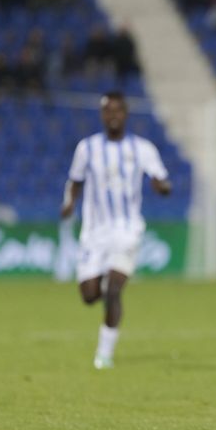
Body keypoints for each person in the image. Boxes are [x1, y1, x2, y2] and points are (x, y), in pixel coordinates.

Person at [60, 92, 172, 369]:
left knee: (113, 290)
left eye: (118, 111)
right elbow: (75, 180)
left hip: (127, 230)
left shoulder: (142, 149)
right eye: (108, 111)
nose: (113, 115)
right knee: (89, 295)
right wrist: (69, 202)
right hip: (94, 233)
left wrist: (162, 187)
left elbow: (161, 178)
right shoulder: (87, 148)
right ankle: (107, 298)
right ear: (101, 115)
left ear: (126, 114)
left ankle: (104, 354)